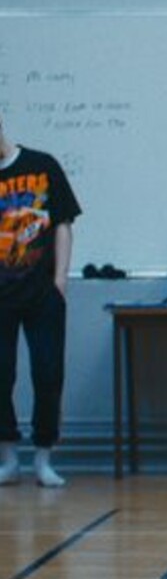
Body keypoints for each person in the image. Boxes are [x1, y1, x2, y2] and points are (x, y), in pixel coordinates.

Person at [0, 112, 81, 488]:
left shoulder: (42, 166)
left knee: (48, 374)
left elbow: (63, 224)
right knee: (1, 377)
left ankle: (44, 459)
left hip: (42, 294)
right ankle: (9, 459)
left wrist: (60, 279)